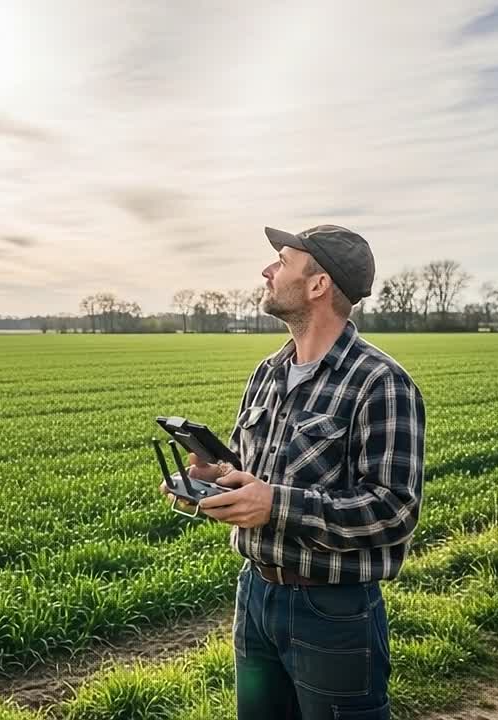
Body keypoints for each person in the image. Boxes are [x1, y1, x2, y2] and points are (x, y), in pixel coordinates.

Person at [161, 224, 425, 720]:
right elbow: (247, 470)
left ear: (318, 285)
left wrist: (275, 504)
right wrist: (213, 479)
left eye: (281, 261)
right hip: (254, 593)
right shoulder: (267, 373)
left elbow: (394, 511)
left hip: (332, 610)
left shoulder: (380, 382)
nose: (267, 270)